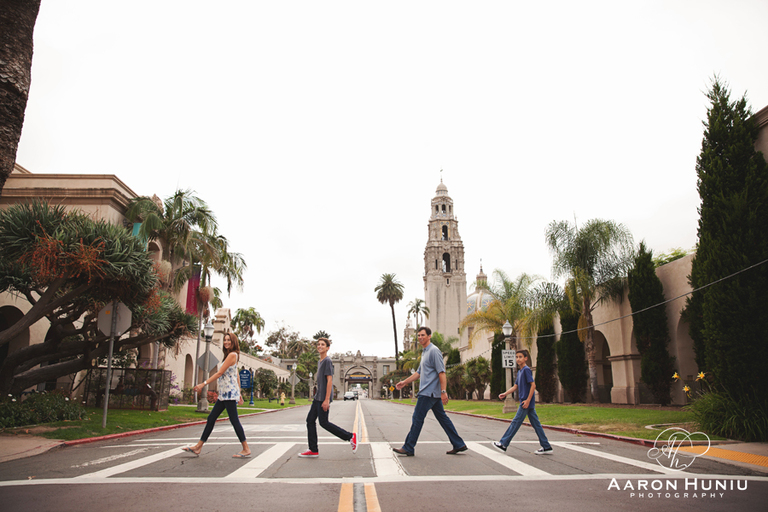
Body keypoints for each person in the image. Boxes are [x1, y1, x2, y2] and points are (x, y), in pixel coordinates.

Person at [394, 326, 467, 456]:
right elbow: (419, 373)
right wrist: (405, 382)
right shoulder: (425, 352)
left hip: (428, 393)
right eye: (419, 336)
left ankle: (409, 447)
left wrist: (443, 392)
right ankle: (459, 444)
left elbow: (442, 372)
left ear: (429, 336)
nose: (420, 337)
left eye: (423, 335)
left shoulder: (434, 351)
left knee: (417, 418)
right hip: (430, 393)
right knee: (443, 419)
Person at [182, 332, 251, 459]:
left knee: (234, 420)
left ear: (233, 341)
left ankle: (246, 448)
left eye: (229, 340)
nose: (226, 342)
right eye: (225, 340)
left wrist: (203, 384)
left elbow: (219, 373)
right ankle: (198, 447)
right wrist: (239, 392)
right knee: (211, 418)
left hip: (229, 394)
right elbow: (236, 375)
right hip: (225, 394)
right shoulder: (230, 356)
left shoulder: (232, 355)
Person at [299, 337, 358, 458]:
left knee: (324, 423)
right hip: (318, 397)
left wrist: (326, 400)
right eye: (318, 344)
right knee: (310, 421)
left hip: (322, 398)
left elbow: (329, 380)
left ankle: (350, 436)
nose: (319, 346)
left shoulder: (327, 361)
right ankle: (313, 449)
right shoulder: (320, 361)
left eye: (322, 344)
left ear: (327, 348)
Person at [493, 349, 553, 455]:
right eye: (516, 357)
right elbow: (516, 386)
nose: (518, 359)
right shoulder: (520, 372)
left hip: (525, 402)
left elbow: (533, 385)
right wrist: (505, 393)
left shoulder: (526, 370)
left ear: (525, 358)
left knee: (515, 422)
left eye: (520, 357)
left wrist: (528, 400)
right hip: (527, 403)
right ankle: (546, 446)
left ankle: (503, 443)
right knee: (536, 424)